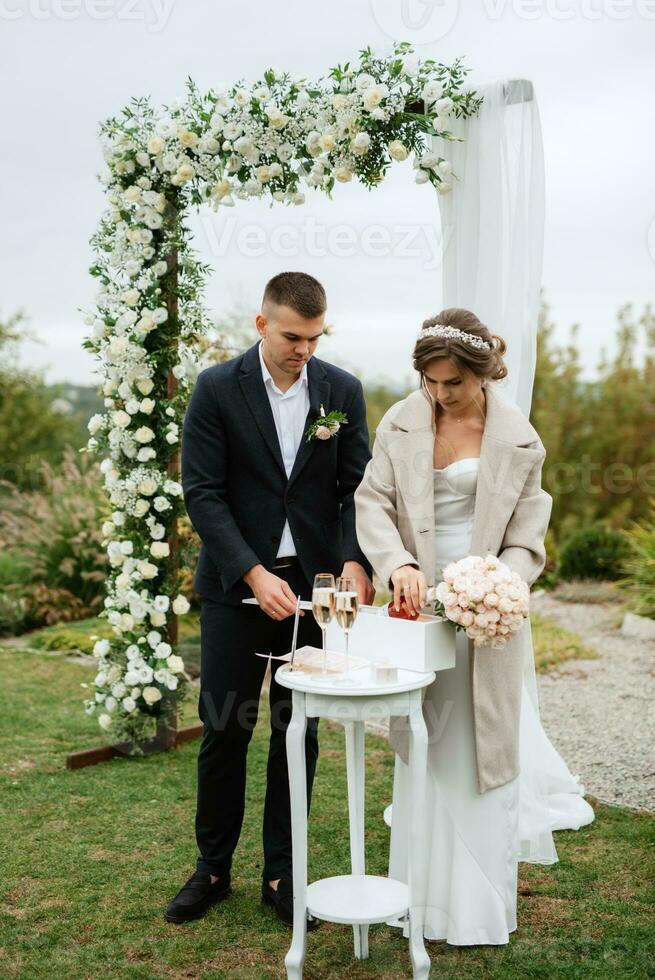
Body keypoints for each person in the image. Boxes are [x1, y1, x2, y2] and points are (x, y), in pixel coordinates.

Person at [354, 307, 593, 945]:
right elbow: (372, 501)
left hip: (486, 611)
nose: (438, 394)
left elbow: (527, 536)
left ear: (481, 375)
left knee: (481, 745)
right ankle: (420, 898)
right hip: (416, 603)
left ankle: (475, 909)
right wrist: (398, 562)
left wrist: (495, 588)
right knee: (424, 737)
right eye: (429, 381)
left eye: (451, 383)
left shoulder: (520, 440)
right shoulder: (401, 422)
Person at [165, 271, 374, 929]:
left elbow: (355, 491)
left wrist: (349, 559)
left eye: (314, 337)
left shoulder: (341, 390)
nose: (303, 349)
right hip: (236, 591)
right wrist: (253, 573)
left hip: (312, 594)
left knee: (297, 731)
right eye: (292, 336)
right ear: (261, 325)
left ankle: (283, 875)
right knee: (226, 729)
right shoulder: (216, 389)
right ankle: (212, 868)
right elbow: (202, 492)